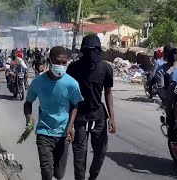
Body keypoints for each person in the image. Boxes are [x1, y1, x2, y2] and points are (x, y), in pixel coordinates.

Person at [24, 46, 84, 180]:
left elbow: (75, 105)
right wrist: (29, 118)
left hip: (63, 134)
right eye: (57, 62)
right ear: (50, 61)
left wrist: (70, 126)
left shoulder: (72, 84)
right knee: (47, 173)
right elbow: (28, 103)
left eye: (64, 62)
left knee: (59, 174)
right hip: (44, 132)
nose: (61, 65)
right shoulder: (38, 82)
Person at [66, 34, 116, 180]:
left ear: (99, 50)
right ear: (83, 51)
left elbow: (108, 92)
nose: (91, 54)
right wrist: (68, 121)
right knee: (79, 155)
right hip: (79, 116)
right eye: (88, 50)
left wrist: (112, 117)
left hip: (99, 115)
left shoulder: (106, 68)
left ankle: (93, 176)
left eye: (94, 50)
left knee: (100, 152)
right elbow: (68, 95)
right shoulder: (73, 68)